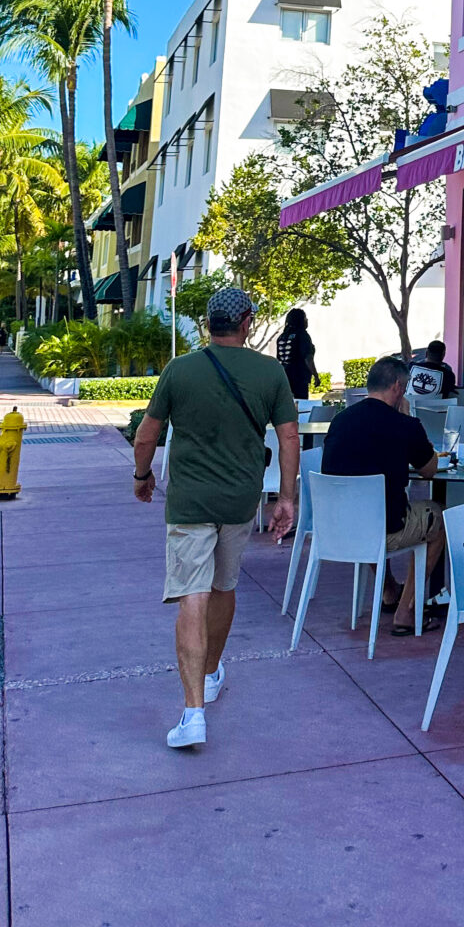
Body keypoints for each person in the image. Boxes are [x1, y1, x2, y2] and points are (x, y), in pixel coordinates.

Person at [132, 286, 298, 750]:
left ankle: (192, 714)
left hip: (190, 504)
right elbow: (288, 438)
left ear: (208, 324)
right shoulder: (270, 373)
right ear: (246, 322)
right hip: (239, 501)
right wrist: (285, 498)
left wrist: (142, 476)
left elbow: (147, 434)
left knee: (192, 596)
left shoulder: (180, 370)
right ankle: (208, 675)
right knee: (224, 586)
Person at [320, 355, 446, 635]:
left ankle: (389, 591)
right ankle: (408, 610)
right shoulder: (403, 425)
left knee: (369, 511)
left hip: (337, 528)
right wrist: (410, 419)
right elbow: (430, 469)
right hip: (382, 529)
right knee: (438, 517)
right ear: (399, 387)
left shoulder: (340, 421)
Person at [275, 307, 318, 401]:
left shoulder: (282, 337)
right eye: (305, 318)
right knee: (301, 403)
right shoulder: (302, 335)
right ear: (300, 320)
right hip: (299, 377)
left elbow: (279, 359)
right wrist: (315, 375)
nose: (307, 320)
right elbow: (308, 358)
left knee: (286, 403)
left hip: (284, 376)